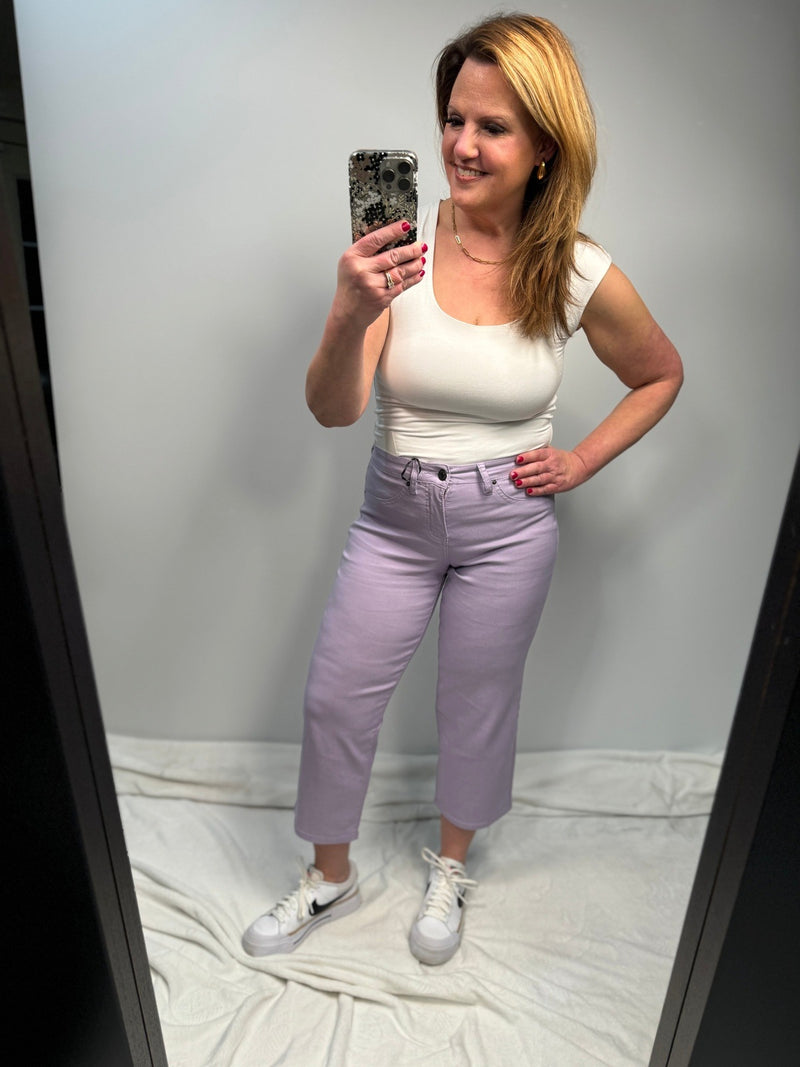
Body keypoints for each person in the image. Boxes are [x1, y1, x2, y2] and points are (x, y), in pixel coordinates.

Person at [243, 13, 683, 965]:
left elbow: (660, 374)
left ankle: (450, 869)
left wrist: (579, 461)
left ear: (544, 148)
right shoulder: (397, 245)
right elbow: (332, 409)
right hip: (395, 518)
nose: (462, 146)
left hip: (509, 528)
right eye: (453, 119)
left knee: (476, 706)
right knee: (336, 697)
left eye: (493, 127)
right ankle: (329, 875)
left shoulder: (573, 269)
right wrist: (351, 306)